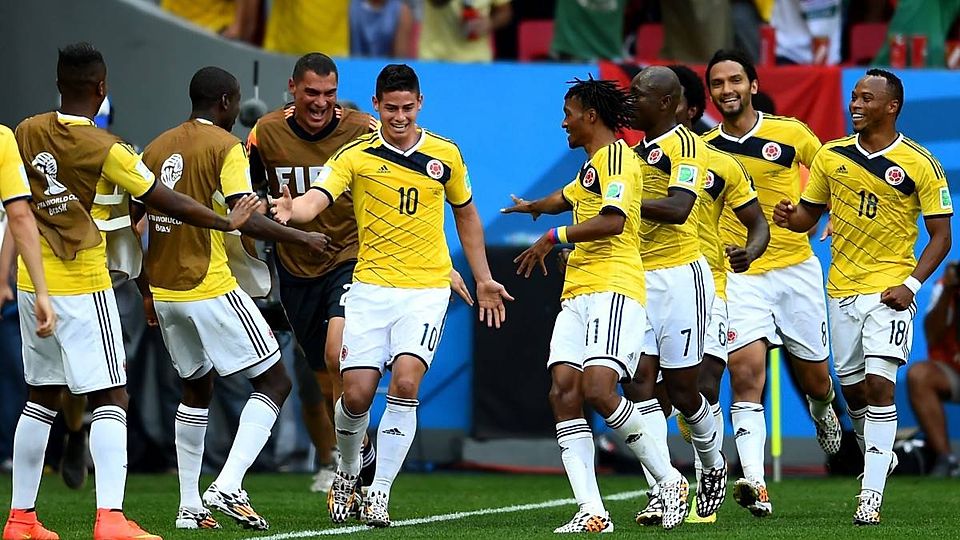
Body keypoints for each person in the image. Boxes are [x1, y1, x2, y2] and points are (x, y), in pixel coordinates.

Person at [2, 42, 258, 540]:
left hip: (34, 284)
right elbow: (167, 199)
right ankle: (111, 519)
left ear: (58, 84)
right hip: (84, 284)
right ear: (102, 89)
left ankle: (21, 519)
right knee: (112, 396)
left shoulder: (25, 130)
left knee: (41, 397)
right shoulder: (110, 149)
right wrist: (226, 221)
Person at [271, 63, 512, 527]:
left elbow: (466, 215)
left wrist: (482, 278)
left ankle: (379, 492)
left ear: (419, 104)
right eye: (390, 108)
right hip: (370, 289)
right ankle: (347, 471)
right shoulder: (355, 155)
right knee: (356, 395)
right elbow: (316, 200)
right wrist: (291, 209)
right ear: (376, 105)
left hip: (424, 291)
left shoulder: (445, 154)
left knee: (404, 384)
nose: (399, 117)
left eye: (407, 108)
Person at [139, 66, 330, 530]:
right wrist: (302, 237)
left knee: (196, 388)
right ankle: (227, 484)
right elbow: (245, 217)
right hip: (208, 285)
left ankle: (189, 507)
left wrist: (145, 289)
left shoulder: (156, 146)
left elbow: (134, 219)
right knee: (276, 382)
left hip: (164, 291)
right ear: (226, 102)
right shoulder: (226, 147)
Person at [774, 69, 952, 525]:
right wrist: (790, 216)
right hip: (841, 289)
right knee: (852, 391)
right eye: (854, 96)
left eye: (866, 98)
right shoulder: (831, 155)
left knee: (879, 385)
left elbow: (941, 236)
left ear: (892, 106)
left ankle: (869, 496)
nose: (855, 104)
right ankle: (880, 455)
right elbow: (809, 216)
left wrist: (910, 286)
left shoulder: (920, 162)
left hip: (890, 290)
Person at [501, 77, 647, 533]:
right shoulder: (592, 166)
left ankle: (668, 480)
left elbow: (613, 220)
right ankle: (592, 511)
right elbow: (566, 197)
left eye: (568, 113)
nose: (563, 122)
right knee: (562, 391)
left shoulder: (617, 158)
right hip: (577, 292)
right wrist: (534, 206)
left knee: (599, 391)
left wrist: (552, 235)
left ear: (591, 116)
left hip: (611, 286)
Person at [702, 48, 840, 517]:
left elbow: (834, 173)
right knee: (745, 375)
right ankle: (756, 483)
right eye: (718, 83)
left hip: (795, 268)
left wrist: (833, 213)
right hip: (739, 274)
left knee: (816, 379)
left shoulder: (790, 132)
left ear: (753, 86)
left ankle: (823, 411)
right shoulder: (705, 148)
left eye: (735, 80)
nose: (727, 90)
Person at [247, 52, 381, 493]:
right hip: (295, 267)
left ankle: (352, 459)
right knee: (321, 379)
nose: (321, 102)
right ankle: (348, 452)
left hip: (349, 256)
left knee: (336, 355)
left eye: (329, 93)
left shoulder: (363, 130)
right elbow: (245, 197)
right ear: (292, 88)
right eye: (311, 93)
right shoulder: (265, 133)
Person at [622, 66, 725, 529]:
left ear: (665, 102)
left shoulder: (685, 146)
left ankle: (713, 461)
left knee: (684, 391)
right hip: (637, 277)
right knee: (638, 383)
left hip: (682, 278)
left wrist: (621, 204)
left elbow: (680, 208)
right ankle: (663, 488)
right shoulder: (629, 154)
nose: (631, 101)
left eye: (639, 94)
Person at [668, 64, 770, 524]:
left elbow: (757, 223)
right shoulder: (633, 161)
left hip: (709, 283)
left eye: (670, 100)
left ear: (690, 109)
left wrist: (751, 250)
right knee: (651, 390)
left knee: (705, 385)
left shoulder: (721, 163)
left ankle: (708, 481)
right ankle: (665, 488)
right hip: (652, 284)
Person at [908, 262, 960, 477]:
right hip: (954, 368)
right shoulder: (945, 287)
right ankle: (946, 460)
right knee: (920, 376)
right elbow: (932, 335)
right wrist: (948, 290)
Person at [419, 0, 513, 62]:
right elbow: (436, 2)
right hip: (436, 58)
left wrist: (490, 23)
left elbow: (505, 11)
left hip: (477, 60)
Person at [349, 0, 415, 58]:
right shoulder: (350, 6)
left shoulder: (402, 11)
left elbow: (400, 57)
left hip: (386, 66)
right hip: (352, 64)